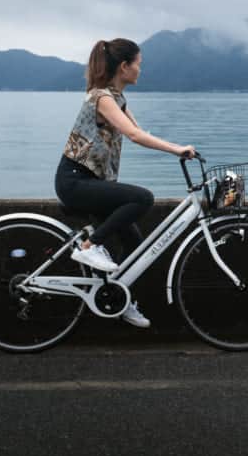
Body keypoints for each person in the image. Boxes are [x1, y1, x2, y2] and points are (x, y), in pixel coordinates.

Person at [54, 38, 195, 328]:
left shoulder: (117, 99)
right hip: (75, 181)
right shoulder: (102, 98)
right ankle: (89, 246)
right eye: (138, 64)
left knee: (134, 245)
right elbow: (134, 135)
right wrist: (177, 150)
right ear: (124, 66)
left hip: (91, 182)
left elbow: (139, 132)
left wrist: (176, 148)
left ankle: (117, 298)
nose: (140, 70)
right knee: (142, 198)